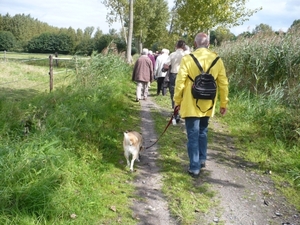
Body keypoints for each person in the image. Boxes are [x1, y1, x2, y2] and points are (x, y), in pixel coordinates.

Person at [173, 32, 229, 178]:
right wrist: (224, 102)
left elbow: (180, 82)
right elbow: (223, 83)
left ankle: (194, 167)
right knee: (203, 131)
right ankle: (202, 160)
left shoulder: (187, 59)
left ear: (195, 44)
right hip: (208, 103)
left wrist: (177, 101)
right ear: (208, 44)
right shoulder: (217, 59)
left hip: (191, 103)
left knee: (193, 134)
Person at [163, 40, 186, 109]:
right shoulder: (186, 55)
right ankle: (182, 108)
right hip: (184, 75)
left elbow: (166, 66)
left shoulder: (172, 54)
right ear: (184, 47)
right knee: (183, 92)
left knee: (173, 93)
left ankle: (175, 108)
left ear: (177, 46)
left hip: (173, 75)